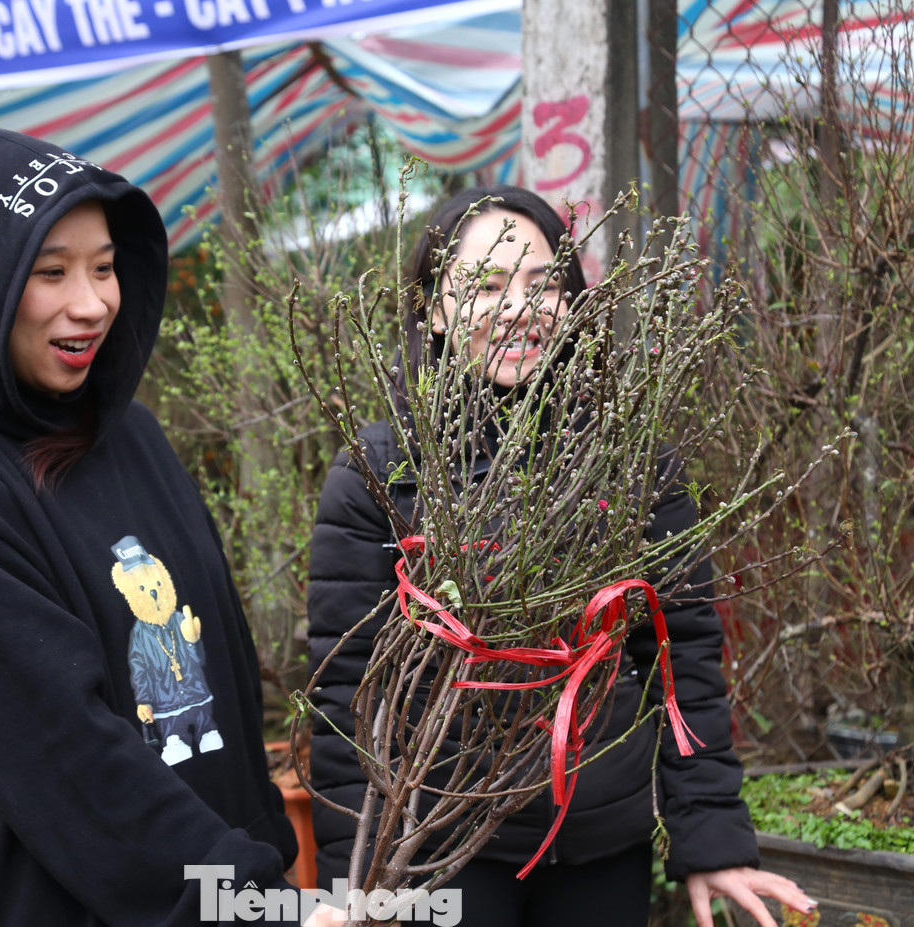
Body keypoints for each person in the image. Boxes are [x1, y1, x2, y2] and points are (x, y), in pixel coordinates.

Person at [305, 185, 817, 927]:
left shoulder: (630, 459)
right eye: (485, 285)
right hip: (437, 851)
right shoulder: (381, 473)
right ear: (434, 311)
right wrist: (351, 886)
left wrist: (710, 835)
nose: (519, 307)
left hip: (599, 843)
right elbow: (349, 695)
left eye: (541, 282)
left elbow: (683, 658)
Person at [0, 125, 342, 926]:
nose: (91, 303)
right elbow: (69, 759)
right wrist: (248, 899)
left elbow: (221, 675)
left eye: (104, 265)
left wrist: (265, 854)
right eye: (50, 271)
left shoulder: (130, 436)